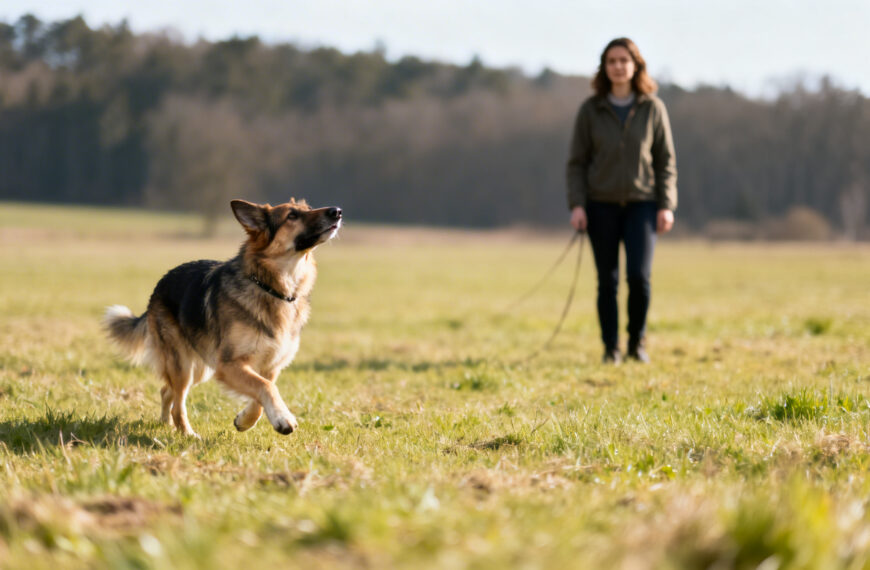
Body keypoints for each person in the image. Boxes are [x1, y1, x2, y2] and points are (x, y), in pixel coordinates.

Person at [566, 37, 677, 364]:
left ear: (635, 65)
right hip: (600, 205)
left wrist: (666, 205)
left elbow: (665, 161)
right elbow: (577, 163)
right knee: (607, 281)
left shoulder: (653, 108)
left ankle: (636, 345)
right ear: (605, 67)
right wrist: (577, 205)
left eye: (623, 60)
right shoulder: (590, 110)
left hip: (643, 205)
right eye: (611, 61)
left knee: (639, 278)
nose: (617, 66)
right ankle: (611, 348)